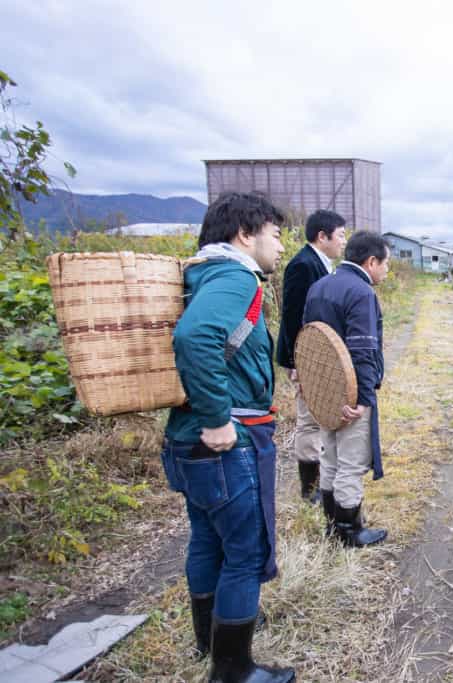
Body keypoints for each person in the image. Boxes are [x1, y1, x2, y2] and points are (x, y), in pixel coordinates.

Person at [160, 192, 294, 682]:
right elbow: (195, 338)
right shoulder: (236, 275)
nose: (280, 247)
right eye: (276, 235)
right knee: (246, 552)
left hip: (186, 440)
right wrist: (217, 418)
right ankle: (233, 669)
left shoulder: (201, 274)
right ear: (245, 235)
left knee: (207, 541)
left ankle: (209, 642)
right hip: (224, 439)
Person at [303, 230, 390, 547]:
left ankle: (332, 525)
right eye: (385, 264)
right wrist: (364, 399)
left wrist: (313, 389)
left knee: (330, 458)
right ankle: (350, 531)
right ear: (370, 262)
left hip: (324, 391)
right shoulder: (361, 292)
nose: (386, 270)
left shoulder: (319, 286)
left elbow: (309, 340)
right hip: (350, 394)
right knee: (351, 463)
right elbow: (363, 352)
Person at [277, 209, 347, 504]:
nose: (344, 241)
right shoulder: (303, 265)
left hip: (315, 355)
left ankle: (320, 479)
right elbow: (293, 316)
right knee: (309, 420)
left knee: (319, 417)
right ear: (323, 236)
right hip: (304, 356)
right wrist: (296, 362)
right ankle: (310, 488)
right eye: (341, 235)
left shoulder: (321, 263)